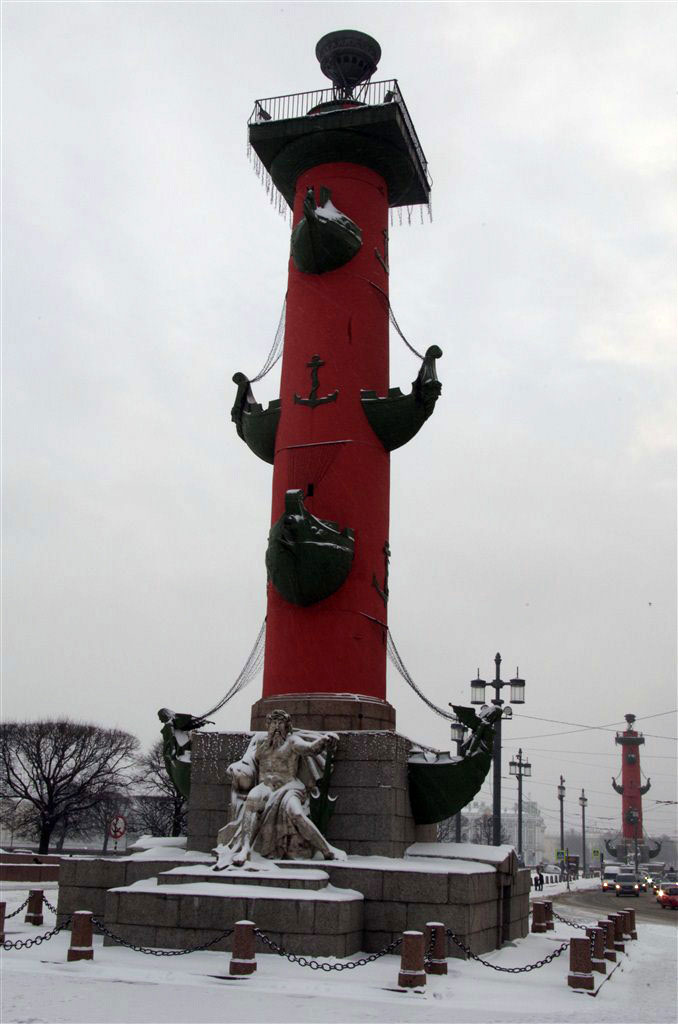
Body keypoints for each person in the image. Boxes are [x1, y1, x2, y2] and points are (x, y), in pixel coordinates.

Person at [214, 709, 343, 868]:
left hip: (289, 787)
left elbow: (310, 749)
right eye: (274, 723)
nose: (277, 726)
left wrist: (324, 741)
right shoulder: (260, 743)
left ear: (287, 727)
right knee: (252, 800)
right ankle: (245, 849)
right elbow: (248, 762)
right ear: (268, 725)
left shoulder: (292, 742)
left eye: (280, 723)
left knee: (296, 813)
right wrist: (238, 768)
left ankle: (326, 849)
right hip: (266, 787)